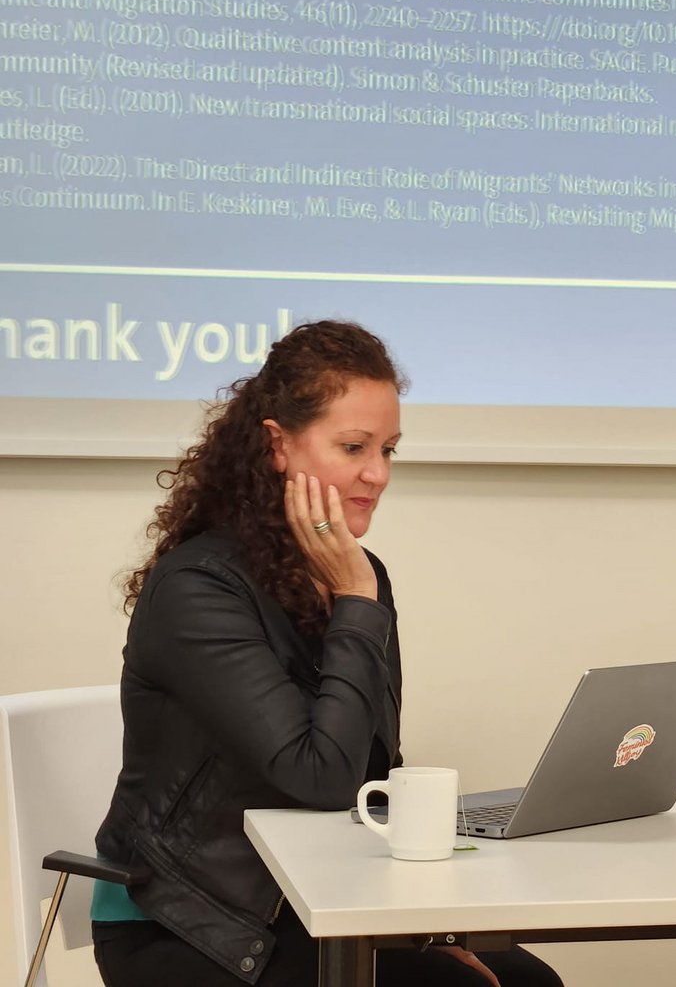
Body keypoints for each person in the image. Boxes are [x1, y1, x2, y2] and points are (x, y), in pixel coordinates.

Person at [91, 321, 563, 987]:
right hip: (188, 921)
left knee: (524, 981)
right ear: (278, 445)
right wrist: (356, 602)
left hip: (315, 904)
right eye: (353, 447)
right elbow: (321, 779)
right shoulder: (198, 590)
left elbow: (374, 765)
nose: (378, 474)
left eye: (389, 450)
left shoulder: (356, 576)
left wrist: (419, 928)